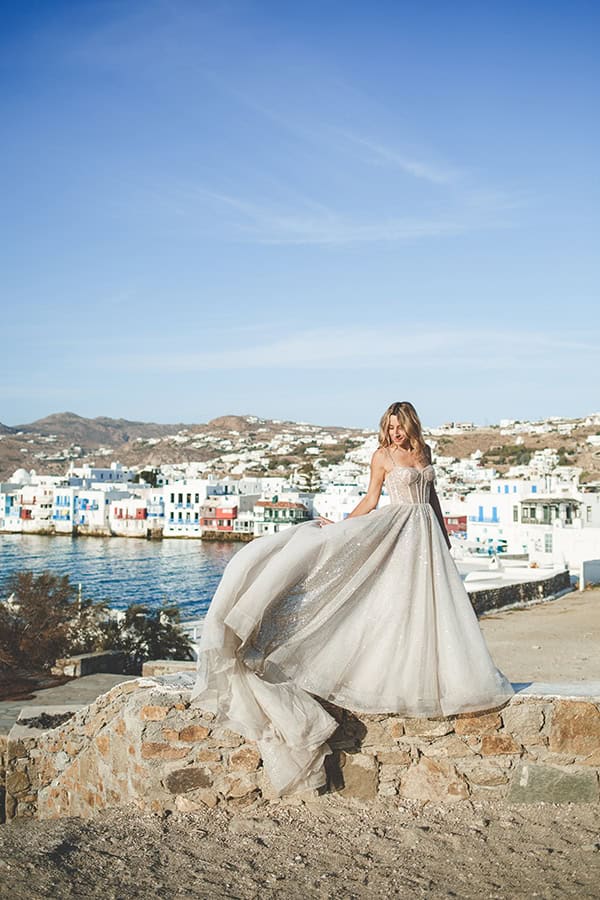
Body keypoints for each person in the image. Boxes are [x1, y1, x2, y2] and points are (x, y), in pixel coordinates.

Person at [191, 401, 514, 797]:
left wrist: (446, 540)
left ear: (411, 424)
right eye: (390, 426)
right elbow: (371, 501)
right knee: (394, 607)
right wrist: (339, 528)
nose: (395, 432)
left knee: (432, 611)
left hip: (427, 536)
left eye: (400, 426)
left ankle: (441, 680)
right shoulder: (381, 456)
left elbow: (433, 501)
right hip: (398, 534)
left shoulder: (424, 453)